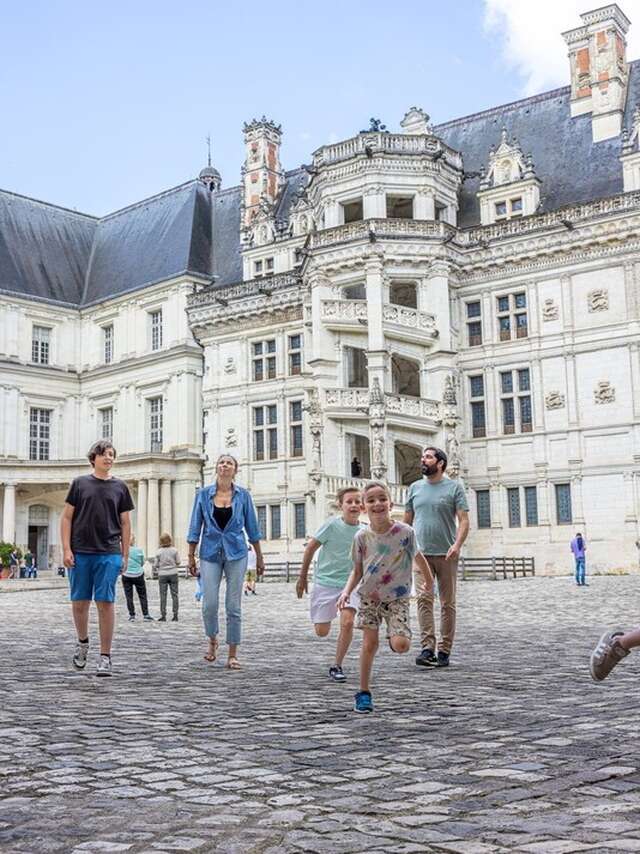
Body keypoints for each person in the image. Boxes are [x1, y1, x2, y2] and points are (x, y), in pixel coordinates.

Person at [338, 481, 433, 713]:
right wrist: (346, 591)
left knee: (401, 646)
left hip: (397, 597)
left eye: (382, 499)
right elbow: (357, 570)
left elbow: (418, 557)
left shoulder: (406, 532)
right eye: (371, 500)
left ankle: (394, 633)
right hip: (369, 596)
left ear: (390, 503)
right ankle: (363, 692)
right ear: (364, 507)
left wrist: (429, 581)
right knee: (369, 644)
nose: (377, 503)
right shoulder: (361, 537)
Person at [60, 440, 133, 677]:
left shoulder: (120, 487)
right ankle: (82, 642)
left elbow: (125, 523)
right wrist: (66, 549)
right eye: (104, 454)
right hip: (80, 551)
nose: (108, 458)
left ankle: (105, 656)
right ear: (94, 458)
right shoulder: (79, 484)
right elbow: (66, 518)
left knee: (106, 603)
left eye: (111, 454)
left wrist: (124, 554)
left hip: (109, 552)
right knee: (80, 603)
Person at [187, 454, 264, 669]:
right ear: (216, 468)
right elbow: (195, 526)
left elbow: (252, 528)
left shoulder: (243, 496)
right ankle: (212, 640)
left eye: (229, 463)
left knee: (233, 605)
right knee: (209, 604)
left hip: (236, 552)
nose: (224, 465)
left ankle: (232, 653)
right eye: (221, 462)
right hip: (210, 553)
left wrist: (259, 556)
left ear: (235, 470)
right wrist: (190, 555)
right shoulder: (203, 495)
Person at [404, 446, 469, 669]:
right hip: (420, 554)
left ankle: (444, 649)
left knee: (447, 603)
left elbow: (464, 520)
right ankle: (427, 648)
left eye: (428, 457)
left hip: (447, 554)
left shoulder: (454, 488)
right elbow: (406, 522)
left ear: (440, 463)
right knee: (424, 600)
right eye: (423, 457)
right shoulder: (414, 488)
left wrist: (457, 545)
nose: (423, 460)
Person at [296, 486, 364, 682]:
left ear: (362, 506)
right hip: (326, 582)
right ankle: (327, 615)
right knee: (322, 631)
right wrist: (302, 577)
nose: (353, 505)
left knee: (348, 622)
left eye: (357, 501)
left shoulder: (364, 530)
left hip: (351, 584)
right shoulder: (331, 525)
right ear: (340, 505)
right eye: (349, 502)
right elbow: (310, 548)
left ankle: (337, 665)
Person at [122, 535, 153, 622]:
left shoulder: (123, 550)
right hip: (138, 574)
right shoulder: (139, 550)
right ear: (133, 541)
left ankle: (132, 615)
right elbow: (142, 563)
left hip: (126, 574)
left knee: (129, 596)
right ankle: (146, 614)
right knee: (142, 595)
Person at [154, 533, 181, 622]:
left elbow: (155, 565)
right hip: (173, 573)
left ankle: (163, 615)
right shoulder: (175, 550)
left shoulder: (158, 552)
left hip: (162, 574)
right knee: (175, 595)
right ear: (170, 540)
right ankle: (175, 615)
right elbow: (178, 562)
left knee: (163, 595)